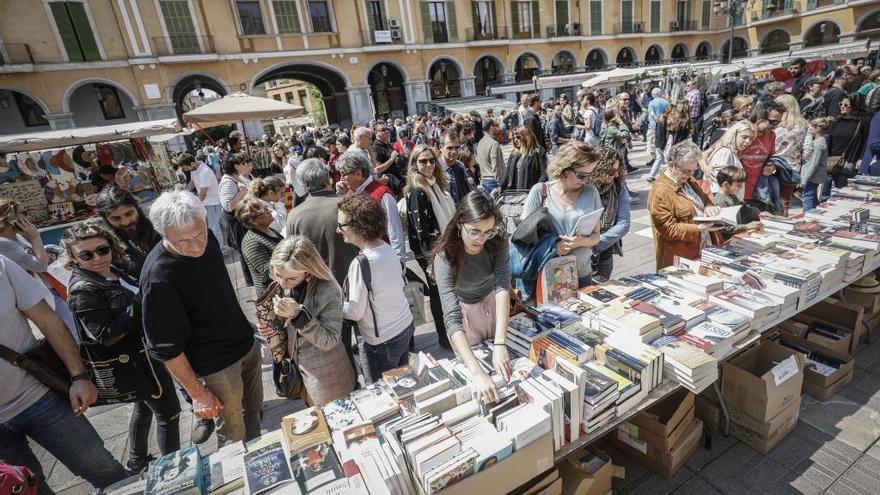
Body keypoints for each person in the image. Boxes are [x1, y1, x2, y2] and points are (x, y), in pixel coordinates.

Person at [94, 187, 215, 444]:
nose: (126, 222)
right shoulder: (107, 248)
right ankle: (201, 411)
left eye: (128, 213)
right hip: (151, 315)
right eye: (116, 219)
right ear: (105, 219)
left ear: (136, 207)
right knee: (177, 367)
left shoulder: (156, 226)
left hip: (188, 302)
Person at [141, 191, 263, 446]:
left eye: (200, 233)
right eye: (184, 241)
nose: (197, 245)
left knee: (254, 412)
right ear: (164, 234)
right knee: (232, 432)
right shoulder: (158, 278)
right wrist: (198, 394)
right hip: (215, 365)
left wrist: (248, 326)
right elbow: (166, 349)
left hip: (246, 345)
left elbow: (219, 294)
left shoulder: (210, 241)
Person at [0, 255, 129, 493]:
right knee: (26, 490)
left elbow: (48, 320)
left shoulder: (2, 265)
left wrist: (79, 377)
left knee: (105, 471)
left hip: (38, 396)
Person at [62, 221, 181, 472]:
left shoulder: (112, 269)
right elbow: (104, 335)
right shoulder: (82, 290)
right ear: (73, 258)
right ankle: (175, 472)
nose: (97, 258)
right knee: (169, 413)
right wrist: (139, 304)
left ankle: (137, 460)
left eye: (102, 249)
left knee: (143, 405)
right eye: (86, 254)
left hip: (143, 355)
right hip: (138, 360)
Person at [432, 191, 512, 403]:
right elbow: (451, 317)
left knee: (505, 361)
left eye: (488, 232)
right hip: (466, 314)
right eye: (474, 232)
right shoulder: (445, 257)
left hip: (495, 304)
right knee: (478, 376)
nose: (481, 239)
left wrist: (500, 343)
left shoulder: (497, 240)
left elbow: (503, 284)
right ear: (459, 224)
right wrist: (477, 373)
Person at [266, 236, 356, 406]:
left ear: (308, 270)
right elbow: (286, 328)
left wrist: (298, 315)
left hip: (327, 377)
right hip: (300, 372)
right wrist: (272, 325)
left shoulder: (328, 289)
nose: (283, 283)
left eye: (292, 279)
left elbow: (330, 340)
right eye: (277, 275)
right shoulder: (283, 282)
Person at [337, 195, 415, 381]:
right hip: (405, 326)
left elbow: (355, 313)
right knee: (404, 383)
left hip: (383, 341)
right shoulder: (386, 247)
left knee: (384, 393)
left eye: (341, 225)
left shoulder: (361, 262)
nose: (338, 230)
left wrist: (333, 304)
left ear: (358, 225)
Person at [521, 142, 602, 286]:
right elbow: (525, 235)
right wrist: (554, 245)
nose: (587, 180)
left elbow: (596, 236)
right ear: (564, 170)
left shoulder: (592, 193)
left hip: (582, 272)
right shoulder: (540, 192)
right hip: (548, 272)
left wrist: (580, 242)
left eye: (591, 174)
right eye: (582, 175)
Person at [403, 145, 457, 350]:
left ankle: (451, 333)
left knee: (447, 293)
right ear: (415, 164)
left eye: (431, 160)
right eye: (423, 161)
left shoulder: (434, 185)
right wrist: (431, 261)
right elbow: (420, 232)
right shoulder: (417, 190)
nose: (428, 165)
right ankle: (445, 338)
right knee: (438, 295)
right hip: (432, 253)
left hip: (444, 248)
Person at [648, 140, 723, 270]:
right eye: (686, 171)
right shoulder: (660, 191)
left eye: (693, 171)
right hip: (681, 257)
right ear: (671, 165)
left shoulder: (688, 180)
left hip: (703, 249)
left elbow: (704, 198)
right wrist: (699, 228)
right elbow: (668, 229)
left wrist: (709, 206)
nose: (689, 175)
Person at [335, 151, 407, 263]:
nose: (341, 178)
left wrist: (399, 263)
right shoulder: (349, 192)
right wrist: (341, 195)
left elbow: (394, 232)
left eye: (344, 174)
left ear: (358, 174)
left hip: (381, 260)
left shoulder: (383, 194)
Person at [587, 148, 631, 281]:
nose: (616, 175)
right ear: (599, 168)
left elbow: (624, 223)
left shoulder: (618, 186)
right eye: (611, 171)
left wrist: (595, 244)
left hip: (604, 252)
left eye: (618, 170)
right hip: (579, 255)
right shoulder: (583, 187)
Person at [822, 93, 869, 202]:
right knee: (824, 191)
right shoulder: (836, 120)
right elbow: (829, 140)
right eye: (841, 104)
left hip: (848, 160)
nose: (842, 106)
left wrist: (861, 159)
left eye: (846, 105)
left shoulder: (861, 123)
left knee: (841, 191)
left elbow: (865, 142)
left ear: (855, 106)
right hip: (830, 160)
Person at [178, 153, 227, 252]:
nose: (186, 170)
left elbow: (203, 193)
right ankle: (221, 246)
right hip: (206, 203)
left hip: (212, 203)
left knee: (214, 228)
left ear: (192, 163)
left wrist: (194, 206)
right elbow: (192, 182)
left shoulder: (204, 172)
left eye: (186, 167)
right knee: (213, 226)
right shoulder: (195, 169)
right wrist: (183, 193)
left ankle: (221, 249)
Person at [236, 199, 284, 298]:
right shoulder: (252, 243)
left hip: (281, 288)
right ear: (253, 221)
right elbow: (269, 272)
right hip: (269, 297)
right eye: (265, 211)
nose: (270, 211)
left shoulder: (269, 229)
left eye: (267, 208)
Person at [219, 154, 254, 286]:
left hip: (238, 218)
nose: (245, 165)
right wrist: (242, 193)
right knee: (243, 249)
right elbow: (228, 205)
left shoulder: (234, 178)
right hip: (233, 220)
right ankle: (250, 280)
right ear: (235, 166)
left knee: (245, 247)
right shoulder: (228, 182)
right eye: (242, 163)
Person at [712, 166, 769, 241]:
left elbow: (744, 209)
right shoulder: (720, 201)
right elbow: (725, 228)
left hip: (738, 236)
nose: (741, 187)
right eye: (738, 185)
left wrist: (758, 213)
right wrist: (746, 226)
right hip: (729, 240)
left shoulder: (732, 196)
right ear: (726, 184)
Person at [774, 94, 808, 213]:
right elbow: (808, 149)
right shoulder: (804, 125)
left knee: (771, 199)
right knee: (785, 201)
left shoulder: (776, 126)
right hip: (793, 167)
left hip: (773, 165)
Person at [705, 120, 757, 195]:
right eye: (744, 137)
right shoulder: (725, 153)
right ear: (734, 134)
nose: (748, 141)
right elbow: (718, 184)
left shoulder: (732, 153)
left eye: (751, 139)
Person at [649, 102, 693, 182]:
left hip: (665, 145)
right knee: (668, 163)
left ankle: (653, 176)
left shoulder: (668, 119)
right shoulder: (681, 120)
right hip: (670, 146)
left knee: (662, 161)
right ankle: (664, 178)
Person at [502, 125, 548, 190]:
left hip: (530, 193)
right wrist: (501, 187)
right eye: (514, 138)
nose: (515, 140)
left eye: (518, 137)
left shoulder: (538, 152)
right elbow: (507, 174)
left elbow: (544, 174)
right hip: (514, 193)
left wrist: (536, 189)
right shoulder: (514, 153)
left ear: (526, 137)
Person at [801, 117, 832, 210]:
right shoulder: (821, 141)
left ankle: (808, 216)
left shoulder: (818, 144)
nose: (809, 130)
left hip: (812, 176)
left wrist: (804, 179)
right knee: (812, 196)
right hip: (814, 176)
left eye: (811, 128)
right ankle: (814, 213)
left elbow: (814, 164)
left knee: (808, 196)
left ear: (817, 128)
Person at [437, 131, 472, 204]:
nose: (454, 151)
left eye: (456, 148)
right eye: (449, 148)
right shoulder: (436, 169)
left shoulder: (460, 166)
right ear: (441, 148)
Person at [476, 118, 505, 196]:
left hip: (484, 180)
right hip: (493, 181)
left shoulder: (480, 142)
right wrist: (500, 183)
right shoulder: (494, 144)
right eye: (496, 125)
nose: (498, 128)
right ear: (491, 127)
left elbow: (479, 161)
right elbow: (496, 166)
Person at [646, 88, 669, 166]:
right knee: (663, 142)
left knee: (651, 142)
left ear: (653, 94)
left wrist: (657, 120)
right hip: (664, 126)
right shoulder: (666, 102)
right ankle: (663, 158)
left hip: (653, 126)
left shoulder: (651, 103)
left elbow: (652, 114)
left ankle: (654, 158)